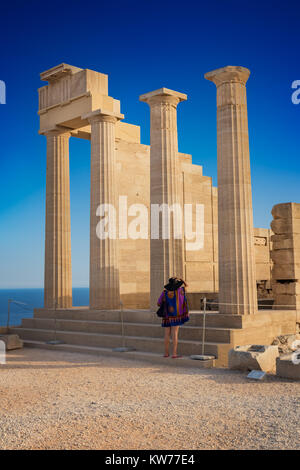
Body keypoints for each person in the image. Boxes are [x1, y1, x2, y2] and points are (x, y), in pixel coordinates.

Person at [157, 277, 189, 358]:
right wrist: (181, 280)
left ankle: (166, 353)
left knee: (167, 334)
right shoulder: (180, 291)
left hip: (166, 316)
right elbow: (187, 286)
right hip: (176, 316)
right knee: (174, 333)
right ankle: (174, 353)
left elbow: (158, 303)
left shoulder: (164, 292)